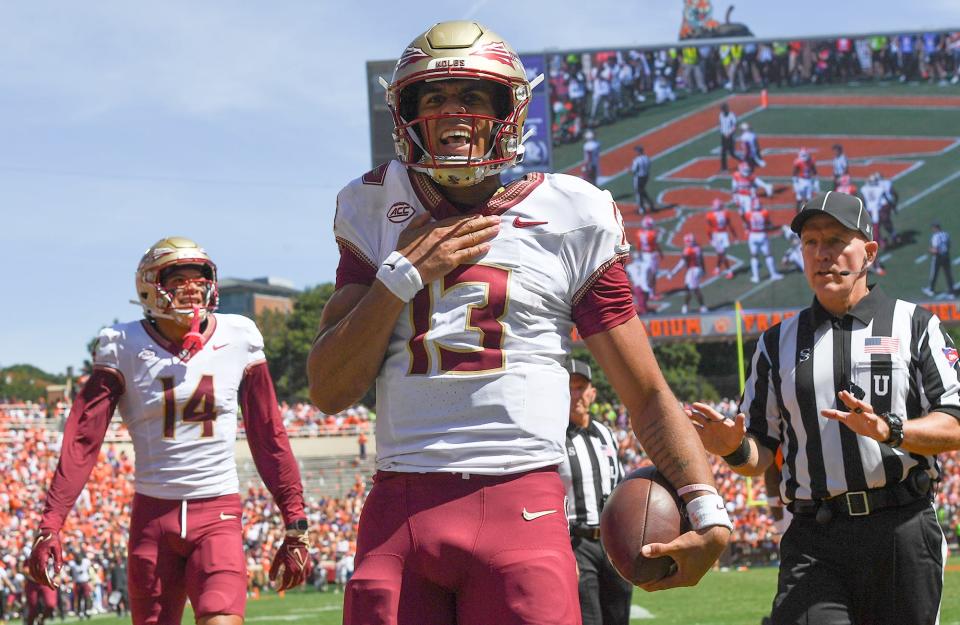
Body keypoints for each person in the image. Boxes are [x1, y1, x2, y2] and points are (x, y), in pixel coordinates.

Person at [310, 20, 732, 625]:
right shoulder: (374, 206)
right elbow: (329, 389)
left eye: (473, 96)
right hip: (397, 508)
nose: (453, 113)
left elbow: (644, 390)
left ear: (509, 110)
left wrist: (708, 509)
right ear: (405, 113)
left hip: (521, 508)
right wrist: (401, 273)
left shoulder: (569, 212)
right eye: (433, 97)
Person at [690, 191, 960, 625]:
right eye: (811, 243)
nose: (822, 254)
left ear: (869, 252)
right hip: (816, 536)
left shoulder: (916, 325)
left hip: (900, 528)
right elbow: (759, 453)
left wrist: (891, 429)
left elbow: (955, 422)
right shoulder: (776, 343)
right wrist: (733, 448)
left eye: (836, 240)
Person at [26, 237, 311, 625]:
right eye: (178, 279)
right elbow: (83, 440)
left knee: (223, 619)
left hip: (218, 512)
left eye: (199, 278)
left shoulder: (239, 335)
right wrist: (51, 524)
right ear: (148, 286)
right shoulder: (121, 344)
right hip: (152, 518)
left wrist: (294, 521)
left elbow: (268, 434)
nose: (192, 288)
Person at [558, 359, 632, 625]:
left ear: (592, 392)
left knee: (619, 615)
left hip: (612, 542)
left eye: (581, 387)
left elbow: (619, 483)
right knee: (589, 619)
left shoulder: (605, 433)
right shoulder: (553, 436)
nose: (576, 394)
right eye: (570, 388)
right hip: (576, 542)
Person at [742, 199, 785, 283]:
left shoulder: (748, 214)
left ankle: (756, 277)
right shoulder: (764, 213)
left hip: (752, 235)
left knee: (754, 256)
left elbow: (747, 224)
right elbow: (769, 224)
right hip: (762, 234)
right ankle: (773, 274)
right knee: (768, 255)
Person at [670, 233, 708, 313]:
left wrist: (673, 273)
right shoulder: (698, 248)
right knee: (688, 288)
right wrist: (703, 270)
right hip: (697, 269)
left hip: (693, 271)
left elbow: (682, 263)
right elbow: (701, 260)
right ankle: (686, 306)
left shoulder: (688, 251)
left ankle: (702, 307)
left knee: (694, 289)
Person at [706, 198, 738, 279]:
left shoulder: (710, 215)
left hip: (716, 235)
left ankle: (729, 271)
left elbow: (708, 229)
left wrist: (709, 238)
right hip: (724, 235)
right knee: (721, 253)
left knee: (722, 254)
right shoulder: (725, 213)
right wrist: (734, 235)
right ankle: (717, 268)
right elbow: (730, 226)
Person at [636, 215, 664, 302]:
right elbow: (656, 244)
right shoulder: (652, 234)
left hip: (644, 255)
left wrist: (639, 255)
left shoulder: (639, 233)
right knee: (652, 275)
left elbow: (639, 246)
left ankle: (649, 292)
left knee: (646, 275)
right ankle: (652, 294)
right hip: (651, 255)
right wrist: (661, 253)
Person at [923, 222, 956, 297]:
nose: (932, 229)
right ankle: (951, 292)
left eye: (933, 228)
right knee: (948, 274)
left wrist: (929, 250)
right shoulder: (946, 234)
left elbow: (935, 250)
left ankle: (931, 290)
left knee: (934, 273)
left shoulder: (935, 237)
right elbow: (949, 245)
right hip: (946, 256)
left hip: (938, 257)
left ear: (935, 228)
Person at [791, 148, 818, 213]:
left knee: (808, 199)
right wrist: (795, 183)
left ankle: (807, 214)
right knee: (799, 199)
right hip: (801, 181)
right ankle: (797, 214)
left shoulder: (811, 161)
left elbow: (814, 172)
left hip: (809, 181)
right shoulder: (798, 162)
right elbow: (794, 173)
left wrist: (816, 182)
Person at [630, 145, 654, 214]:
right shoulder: (647, 158)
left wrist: (628, 170)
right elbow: (649, 165)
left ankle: (641, 209)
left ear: (638, 152)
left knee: (638, 193)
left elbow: (634, 170)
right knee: (642, 191)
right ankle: (650, 203)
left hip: (639, 178)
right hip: (646, 176)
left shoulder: (636, 160)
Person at [718, 102, 739, 172]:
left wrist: (729, 134)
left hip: (730, 136)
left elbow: (734, 126)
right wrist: (722, 132)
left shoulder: (731, 115)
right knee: (723, 152)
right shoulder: (721, 115)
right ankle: (724, 168)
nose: (723, 111)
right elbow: (721, 124)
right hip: (724, 136)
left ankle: (744, 161)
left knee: (732, 153)